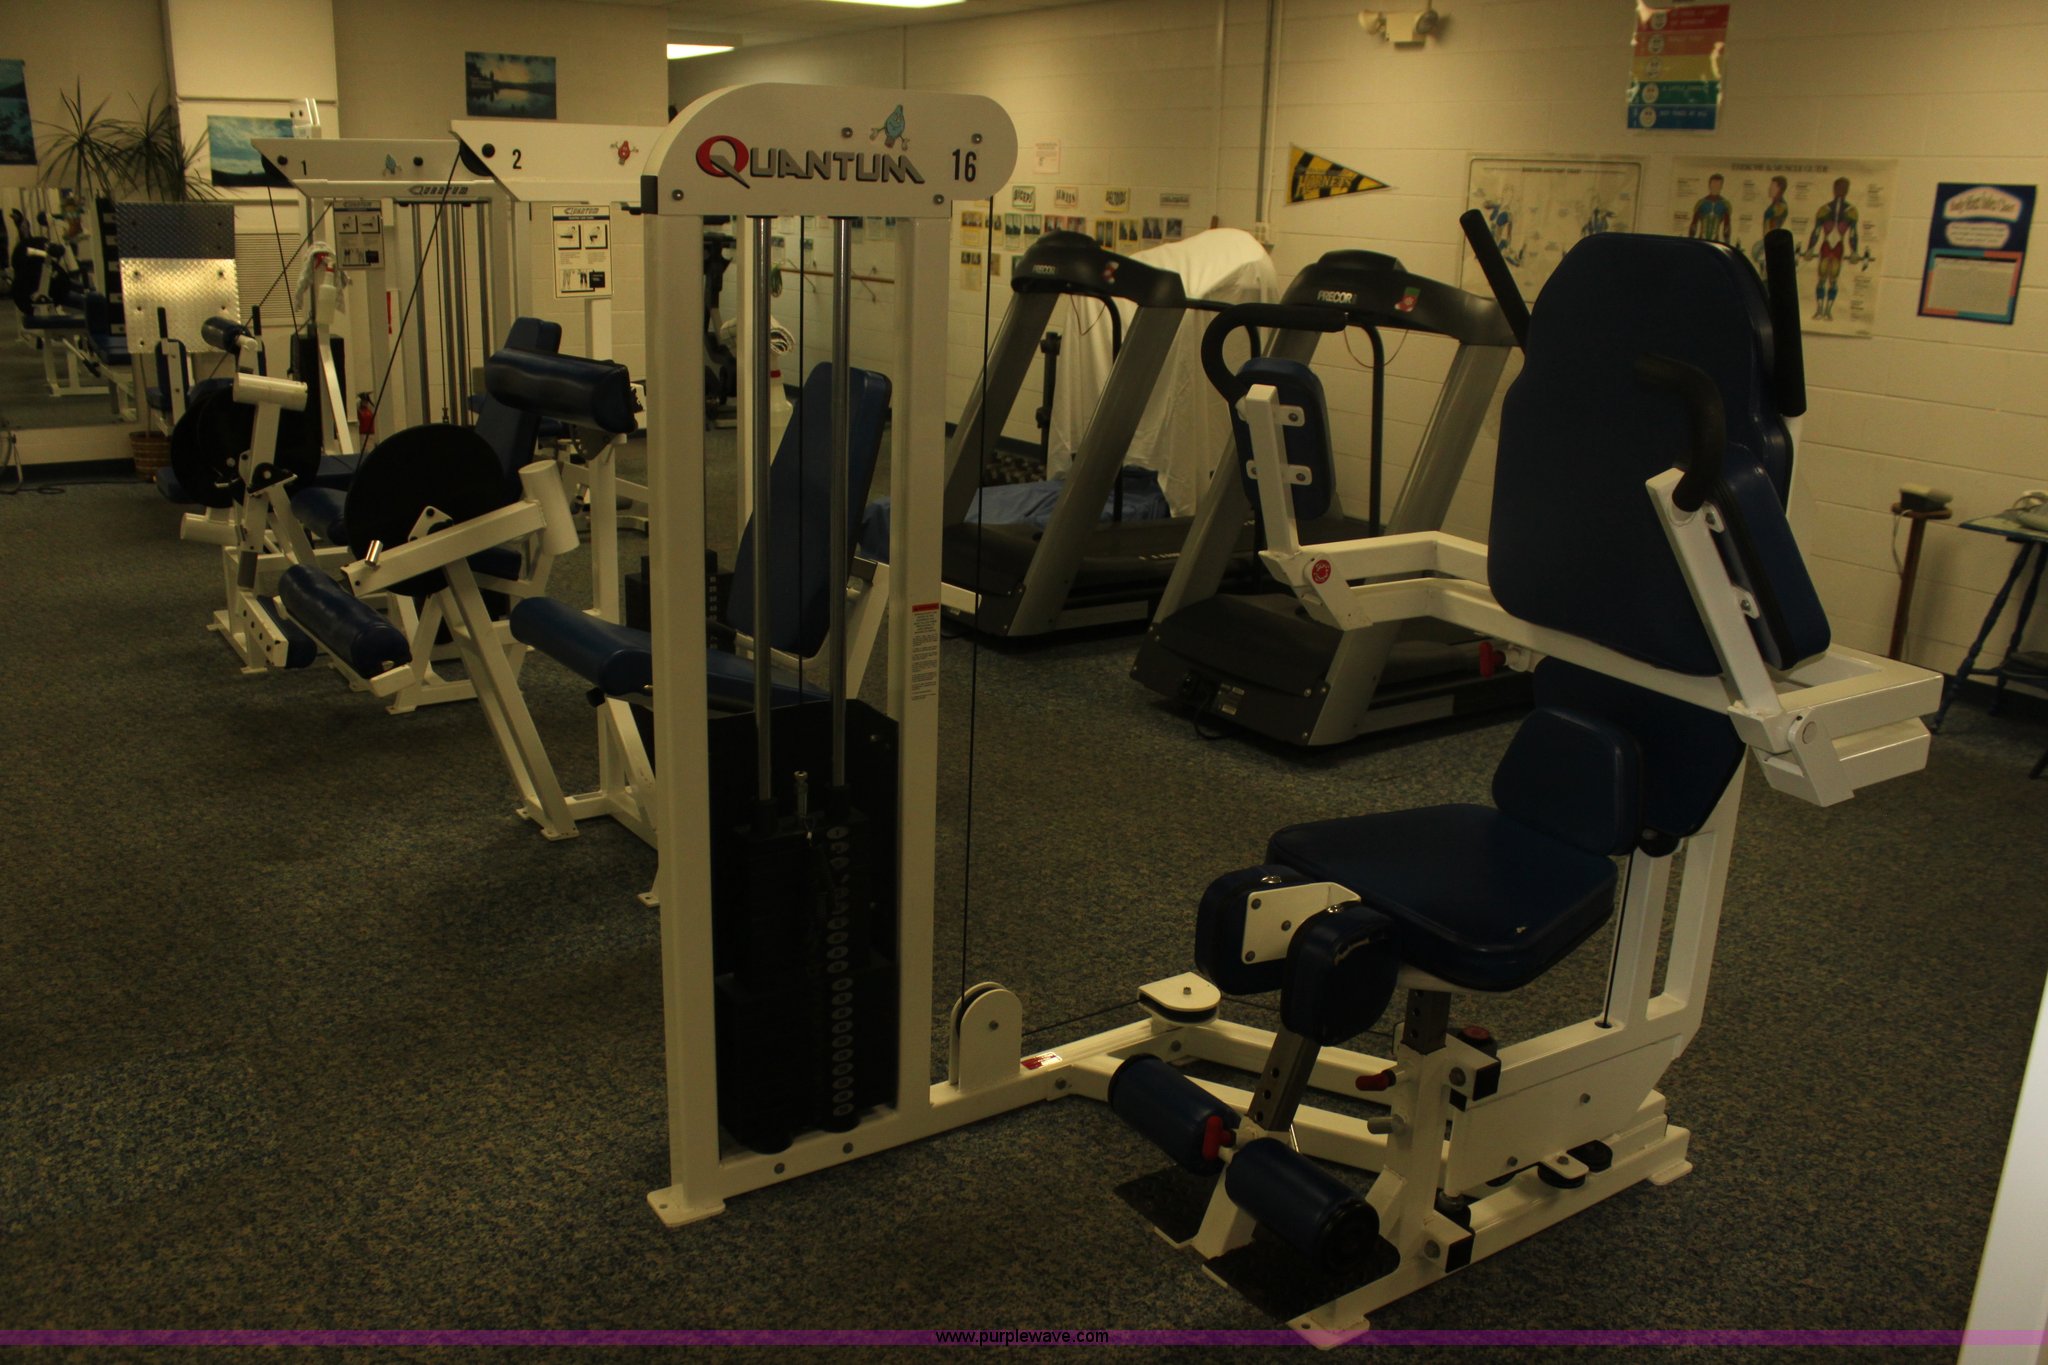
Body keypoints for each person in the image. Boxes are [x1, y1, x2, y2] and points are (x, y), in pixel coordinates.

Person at [1806, 176, 1859, 320]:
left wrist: (1854, 252)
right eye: (1839, 188)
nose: (1841, 191)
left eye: (1844, 189)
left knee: (1833, 280)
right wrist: (1810, 248)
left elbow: (1853, 233)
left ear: (1847, 191)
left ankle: (1828, 311)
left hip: (1838, 249)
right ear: (1834, 189)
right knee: (1822, 279)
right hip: (1826, 247)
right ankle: (1819, 309)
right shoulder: (1824, 210)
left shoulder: (1851, 211)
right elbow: (1817, 230)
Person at [1748, 175, 1789, 268]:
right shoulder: (1774, 205)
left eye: (1772, 187)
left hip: (1771, 244)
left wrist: (1767, 246)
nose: (1769, 189)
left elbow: (1773, 227)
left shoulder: (1780, 207)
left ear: (1779, 189)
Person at [1687, 173, 1732, 244]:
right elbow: (1694, 224)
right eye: (1713, 185)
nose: (1715, 187)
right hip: (1701, 241)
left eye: (1718, 185)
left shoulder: (1725, 204)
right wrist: (1690, 241)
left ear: (1721, 186)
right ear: (1709, 185)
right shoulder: (1701, 203)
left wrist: (1727, 243)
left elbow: (1726, 226)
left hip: (1715, 242)